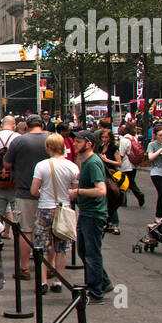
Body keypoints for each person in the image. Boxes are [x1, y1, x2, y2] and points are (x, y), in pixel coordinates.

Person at [29, 133, 79, 293]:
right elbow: (74, 189)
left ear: (49, 147)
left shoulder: (42, 166)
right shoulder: (72, 166)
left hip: (45, 208)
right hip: (64, 209)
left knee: (42, 246)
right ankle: (58, 281)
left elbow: (33, 190)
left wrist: (43, 193)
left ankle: (43, 281)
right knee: (61, 247)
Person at [5, 115, 50, 279]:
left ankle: (24, 268)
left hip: (24, 191)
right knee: (49, 232)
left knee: (26, 230)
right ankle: (49, 267)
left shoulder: (19, 141)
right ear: (42, 124)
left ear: (26, 126)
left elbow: (7, 164)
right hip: (48, 193)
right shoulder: (51, 139)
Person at [70, 132, 112, 304]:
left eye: (78, 142)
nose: (74, 144)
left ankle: (96, 291)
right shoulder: (86, 162)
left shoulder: (93, 163)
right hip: (88, 213)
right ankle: (103, 282)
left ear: (89, 144)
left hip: (93, 214)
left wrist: (77, 192)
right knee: (84, 251)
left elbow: (101, 190)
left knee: (91, 254)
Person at [97, 128, 123, 235]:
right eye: (103, 137)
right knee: (104, 199)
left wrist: (107, 160)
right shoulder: (101, 147)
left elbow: (119, 163)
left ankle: (115, 223)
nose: (104, 139)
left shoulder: (113, 148)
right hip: (103, 173)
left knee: (112, 198)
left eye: (106, 137)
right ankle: (107, 222)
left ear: (110, 138)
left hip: (111, 174)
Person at [118, 125, 145, 208]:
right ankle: (138, 195)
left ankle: (124, 200)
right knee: (131, 181)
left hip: (126, 164)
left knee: (124, 183)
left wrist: (118, 162)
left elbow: (121, 154)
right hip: (133, 164)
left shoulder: (124, 140)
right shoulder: (134, 139)